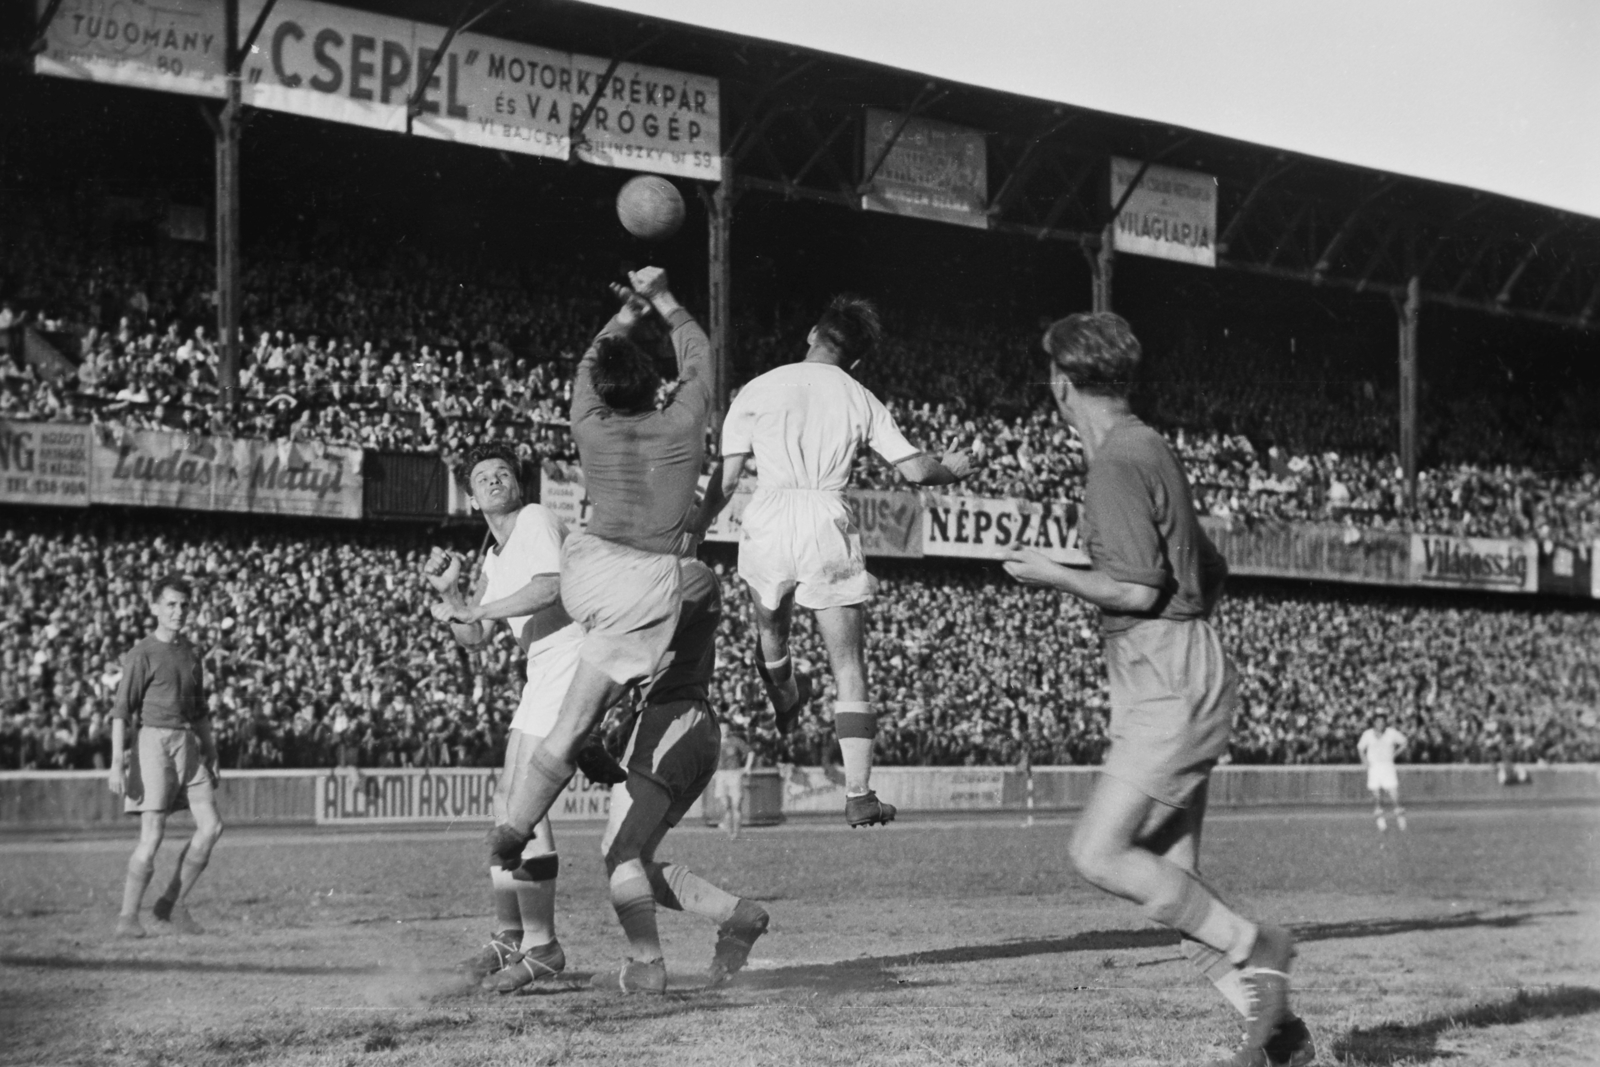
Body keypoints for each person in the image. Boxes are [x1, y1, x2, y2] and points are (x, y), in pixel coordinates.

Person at [1000, 312, 1310, 1067]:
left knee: (1100, 852)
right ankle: (1287, 1046)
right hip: (1185, 664)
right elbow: (1212, 566)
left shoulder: (1114, 461)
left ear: (1061, 383)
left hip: (1163, 672)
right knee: (1177, 888)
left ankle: (1257, 944)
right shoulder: (1150, 445)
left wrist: (1050, 572)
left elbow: (1136, 591)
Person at [696, 295, 973, 827]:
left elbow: (727, 482)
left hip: (769, 513)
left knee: (772, 633)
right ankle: (860, 795)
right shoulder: (859, 395)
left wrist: (697, 526)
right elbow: (916, 472)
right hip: (826, 515)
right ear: (859, 359)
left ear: (811, 334)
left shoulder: (757, 388)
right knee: (848, 663)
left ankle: (786, 694)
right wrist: (952, 467)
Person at [488, 267, 712, 867]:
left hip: (585, 568)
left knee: (579, 704)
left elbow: (587, 366)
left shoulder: (589, 422)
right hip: (642, 580)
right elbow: (699, 359)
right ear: (652, 388)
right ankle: (521, 823)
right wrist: (664, 297)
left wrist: (627, 317)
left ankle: (521, 815)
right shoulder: (683, 423)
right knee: (590, 706)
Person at [425, 442, 583, 993]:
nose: (494, 480)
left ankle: (542, 946)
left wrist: (477, 607)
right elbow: (474, 638)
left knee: (525, 803)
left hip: (570, 662)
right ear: (470, 498)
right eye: (482, 477)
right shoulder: (493, 555)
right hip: (542, 673)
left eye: (503, 473)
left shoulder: (537, 518)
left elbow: (550, 586)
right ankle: (510, 935)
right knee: (506, 801)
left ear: (519, 486)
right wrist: (453, 597)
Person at [592, 558, 770, 994]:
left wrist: (588, 717)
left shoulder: (686, 572)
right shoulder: (680, 573)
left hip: (670, 719)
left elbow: (636, 652)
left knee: (620, 851)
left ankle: (646, 964)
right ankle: (736, 914)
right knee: (634, 859)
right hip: (684, 721)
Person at [107, 575, 222, 939]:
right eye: (171, 604)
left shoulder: (191, 653)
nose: (178, 611)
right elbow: (121, 712)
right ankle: (127, 918)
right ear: (154, 607)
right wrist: (116, 763)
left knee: (212, 827)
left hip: (186, 743)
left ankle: (170, 905)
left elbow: (200, 710)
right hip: (152, 742)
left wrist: (212, 751)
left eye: (184, 604)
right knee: (153, 833)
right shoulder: (142, 653)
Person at [1356, 714, 1408, 831]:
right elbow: (1360, 748)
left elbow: (1404, 742)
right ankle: (1380, 820)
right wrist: (1364, 761)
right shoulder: (1368, 734)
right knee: (1377, 795)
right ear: (1374, 723)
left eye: (1382, 722)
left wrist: (1395, 754)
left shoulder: (1391, 733)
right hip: (1374, 767)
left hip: (1387, 766)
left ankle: (1400, 817)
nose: (1380, 724)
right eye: (1378, 722)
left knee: (1393, 792)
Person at [714, 725, 755, 839]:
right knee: (725, 805)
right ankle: (728, 831)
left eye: (726, 730)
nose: (724, 732)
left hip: (734, 774)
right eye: (722, 730)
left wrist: (747, 767)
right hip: (721, 775)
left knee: (736, 805)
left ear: (729, 731)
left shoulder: (736, 741)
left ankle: (736, 833)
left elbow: (750, 752)